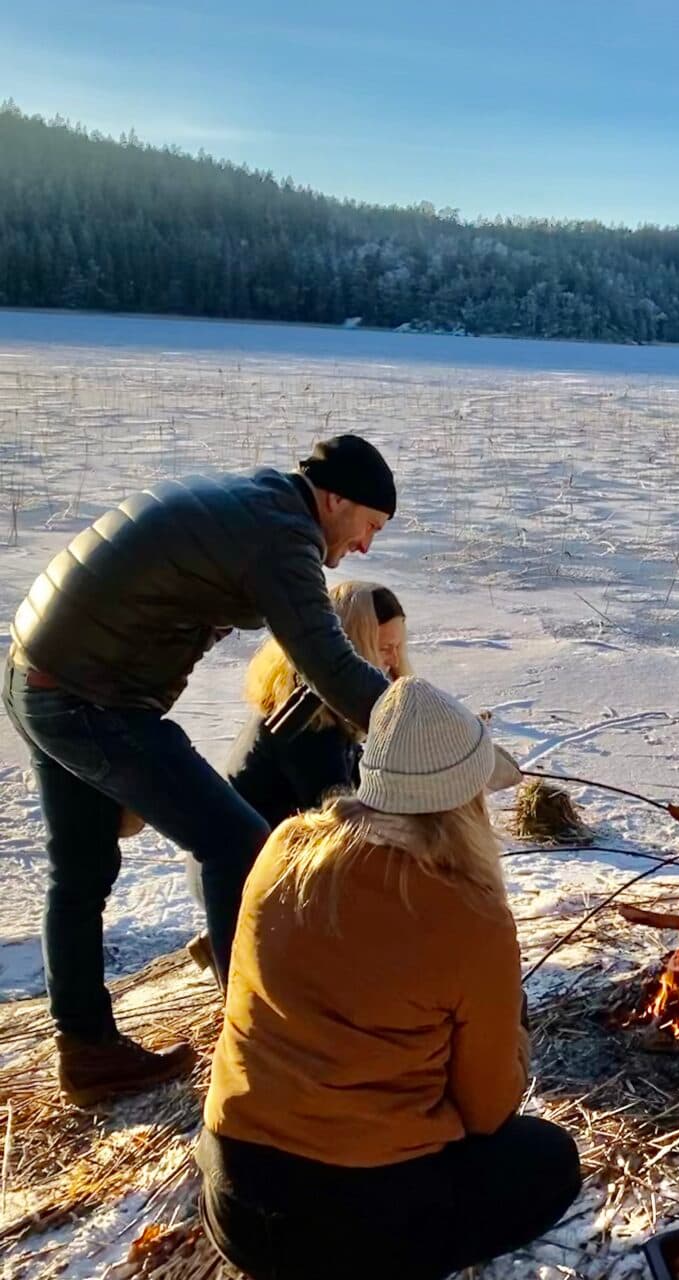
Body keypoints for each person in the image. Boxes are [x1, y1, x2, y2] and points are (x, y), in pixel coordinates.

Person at [3, 434, 397, 1105]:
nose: (365, 546)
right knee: (236, 842)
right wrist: (414, 722)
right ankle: (257, 1040)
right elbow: (331, 666)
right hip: (86, 695)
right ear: (334, 500)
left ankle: (89, 1053)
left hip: (39, 672)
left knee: (81, 871)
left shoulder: (257, 505)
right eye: (370, 526)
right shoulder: (281, 535)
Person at [197, 677, 581, 1280]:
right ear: (468, 804)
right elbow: (486, 1113)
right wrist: (514, 1038)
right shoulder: (467, 914)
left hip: (234, 1198)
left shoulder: (286, 847)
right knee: (549, 1160)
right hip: (353, 1225)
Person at [227, 581, 410, 829]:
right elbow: (344, 823)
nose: (395, 660)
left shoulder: (319, 707)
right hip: (252, 851)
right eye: (385, 648)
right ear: (351, 650)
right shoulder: (308, 725)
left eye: (399, 647)